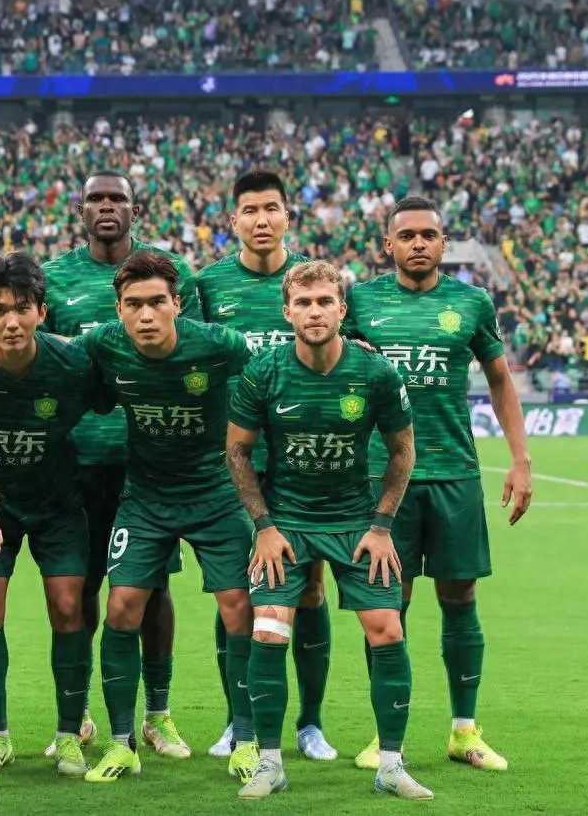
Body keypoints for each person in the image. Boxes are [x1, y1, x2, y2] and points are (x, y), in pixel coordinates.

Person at [226, 259, 429, 800]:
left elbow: (403, 450)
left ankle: (391, 765)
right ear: (287, 311)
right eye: (303, 303)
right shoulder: (263, 372)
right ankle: (269, 763)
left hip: (356, 521)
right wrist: (264, 526)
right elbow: (237, 452)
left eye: (324, 302)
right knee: (268, 629)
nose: (314, 312)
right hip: (286, 522)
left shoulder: (376, 374)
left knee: (387, 629)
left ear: (341, 309)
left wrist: (382, 525)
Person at [344, 196, 531, 772]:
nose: (419, 243)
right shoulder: (360, 301)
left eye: (429, 234)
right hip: (383, 480)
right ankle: (387, 736)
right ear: (388, 245)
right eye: (407, 236)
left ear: (444, 243)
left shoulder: (472, 302)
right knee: (387, 606)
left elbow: (500, 381)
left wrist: (520, 460)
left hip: (454, 472)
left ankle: (464, 731)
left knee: (460, 598)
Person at [75, 251, 258, 784]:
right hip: (146, 498)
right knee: (122, 607)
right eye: (134, 304)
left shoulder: (218, 345)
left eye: (157, 302)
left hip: (215, 495)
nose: (146, 314)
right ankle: (122, 744)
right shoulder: (105, 342)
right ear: (119, 309)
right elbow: (54, 353)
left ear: (178, 304)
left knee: (238, 609)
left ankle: (247, 740)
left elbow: (273, 373)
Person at [41, 171, 199, 760]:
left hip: (147, 466)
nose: (106, 207)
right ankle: (79, 713)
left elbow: (193, 353)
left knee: (152, 590)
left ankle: (158, 714)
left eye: (117, 199)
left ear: (136, 208)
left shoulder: (169, 273)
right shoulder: (54, 279)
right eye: (96, 199)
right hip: (76, 463)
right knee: (79, 590)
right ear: (80, 209)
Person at [0, 253, 101, 774]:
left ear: (42, 312)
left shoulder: (71, 363)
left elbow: (105, 396)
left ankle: (69, 734)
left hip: (58, 503)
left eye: (22, 308)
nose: (12, 321)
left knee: (69, 607)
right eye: (0, 310)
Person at [195, 170, 335, 761]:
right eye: (249, 210)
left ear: (286, 216)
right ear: (234, 220)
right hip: (235, 465)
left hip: (305, 465)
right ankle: (238, 720)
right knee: (237, 592)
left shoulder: (313, 281)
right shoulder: (208, 285)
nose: (261, 220)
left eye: (271, 208)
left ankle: (311, 723)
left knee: (309, 590)